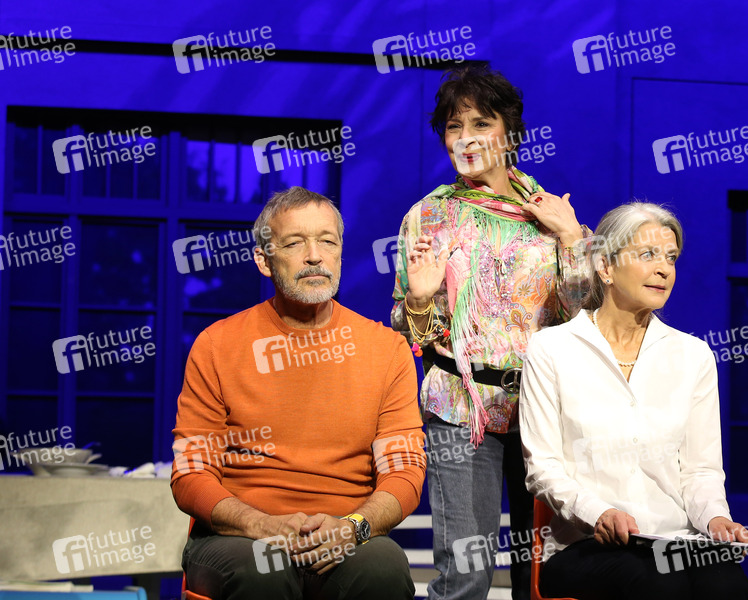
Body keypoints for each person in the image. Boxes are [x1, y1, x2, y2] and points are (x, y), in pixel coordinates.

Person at [391, 65, 591, 600]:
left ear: (510, 133)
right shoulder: (428, 217)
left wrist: (573, 239)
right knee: (467, 574)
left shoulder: (551, 214)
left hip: (544, 411)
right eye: (454, 127)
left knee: (543, 576)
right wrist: (418, 299)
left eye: (482, 123)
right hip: (461, 406)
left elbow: (587, 318)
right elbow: (411, 330)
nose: (467, 138)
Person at [172, 187, 426, 600]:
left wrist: (354, 526)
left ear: (340, 253)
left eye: (327, 241)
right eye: (294, 243)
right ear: (264, 260)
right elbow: (190, 474)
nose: (314, 256)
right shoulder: (216, 345)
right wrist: (260, 525)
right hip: (240, 537)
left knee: (383, 568)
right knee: (263, 571)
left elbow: (405, 471)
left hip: (345, 533)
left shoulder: (387, 349)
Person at [520, 202, 748, 600]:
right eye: (648, 255)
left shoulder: (692, 355)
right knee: (658, 583)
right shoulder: (552, 349)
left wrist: (716, 518)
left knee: (728, 584)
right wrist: (598, 513)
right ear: (605, 267)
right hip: (586, 544)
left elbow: (700, 470)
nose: (664, 269)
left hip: (676, 538)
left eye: (671, 258)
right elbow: (543, 468)